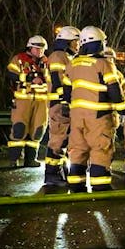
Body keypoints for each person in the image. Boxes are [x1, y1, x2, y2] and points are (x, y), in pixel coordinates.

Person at [62, 26, 125, 192]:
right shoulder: (104, 64)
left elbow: (66, 93)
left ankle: (76, 184)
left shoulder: (72, 64)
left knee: (78, 149)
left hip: (77, 117)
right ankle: (100, 186)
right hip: (99, 117)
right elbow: (114, 90)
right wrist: (122, 110)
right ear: (99, 43)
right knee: (100, 149)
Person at [6, 35, 51, 168]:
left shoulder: (47, 62)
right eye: (37, 49)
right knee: (19, 129)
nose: (39, 52)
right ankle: (13, 159)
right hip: (23, 101)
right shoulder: (19, 59)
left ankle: (31, 159)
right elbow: (10, 74)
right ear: (30, 47)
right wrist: (30, 77)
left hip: (42, 102)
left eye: (42, 49)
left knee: (38, 131)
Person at [44, 26, 80, 185]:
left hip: (63, 103)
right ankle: (52, 174)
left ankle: (60, 171)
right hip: (59, 104)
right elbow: (58, 80)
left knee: (64, 139)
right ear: (68, 42)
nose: (78, 45)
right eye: (76, 41)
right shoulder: (58, 56)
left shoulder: (65, 56)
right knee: (58, 139)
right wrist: (66, 99)